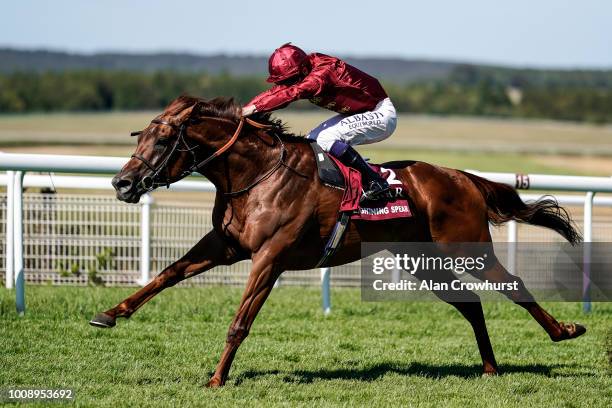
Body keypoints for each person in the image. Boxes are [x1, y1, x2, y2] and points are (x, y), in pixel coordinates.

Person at [242, 43, 397, 201]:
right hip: (361, 112)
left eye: (290, 80)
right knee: (312, 142)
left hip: (380, 113)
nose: (287, 84)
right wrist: (243, 110)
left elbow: (294, 92)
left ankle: (376, 182)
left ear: (303, 70)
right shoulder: (303, 71)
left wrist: (255, 109)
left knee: (325, 139)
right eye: (284, 81)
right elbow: (276, 91)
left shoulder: (323, 72)